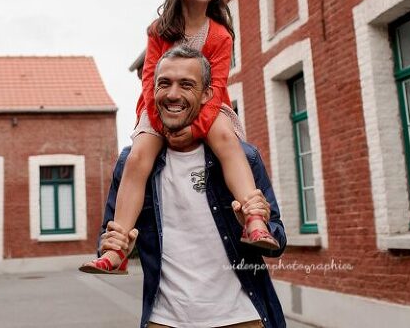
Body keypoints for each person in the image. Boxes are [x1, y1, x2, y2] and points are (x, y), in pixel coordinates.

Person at [80, 0, 278, 275]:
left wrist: (195, 128)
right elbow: (150, 81)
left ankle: (254, 219)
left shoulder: (221, 35)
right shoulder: (160, 30)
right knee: (137, 157)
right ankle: (116, 248)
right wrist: (163, 124)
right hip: (160, 107)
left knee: (227, 141)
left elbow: (216, 86)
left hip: (208, 105)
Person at [96, 46, 287, 328]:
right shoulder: (132, 162)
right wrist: (114, 245)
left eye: (186, 84)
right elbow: (107, 239)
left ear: (207, 94)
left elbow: (278, 242)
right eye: (164, 83)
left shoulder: (244, 157)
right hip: (164, 320)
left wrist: (249, 225)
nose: (173, 94)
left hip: (242, 318)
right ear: (152, 90)